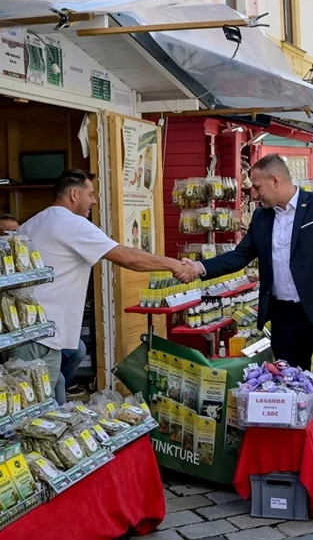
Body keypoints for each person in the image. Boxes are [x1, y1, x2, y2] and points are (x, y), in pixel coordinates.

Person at [181, 154, 313, 492]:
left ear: (276, 181)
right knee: (286, 393)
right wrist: (200, 268)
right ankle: (294, 460)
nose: (254, 193)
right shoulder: (263, 218)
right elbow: (240, 256)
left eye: (257, 186)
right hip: (284, 317)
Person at [17, 170, 196, 402]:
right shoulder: (72, 224)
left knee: (75, 354)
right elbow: (127, 257)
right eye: (90, 194)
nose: (93, 200)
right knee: (40, 407)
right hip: (41, 334)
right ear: (73, 194)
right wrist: (173, 265)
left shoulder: (33, 222)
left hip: (30, 328)